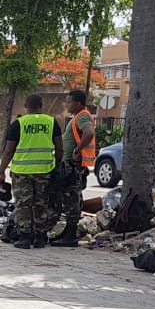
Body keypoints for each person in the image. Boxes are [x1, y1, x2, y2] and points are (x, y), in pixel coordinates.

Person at [0, 94, 64, 249]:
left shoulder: (18, 124)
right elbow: (59, 148)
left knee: (24, 204)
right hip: (44, 171)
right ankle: (40, 237)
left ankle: (25, 237)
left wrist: (1, 171)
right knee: (40, 203)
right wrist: (57, 164)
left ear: (26, 106)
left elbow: (8, 151)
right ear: (41, 105)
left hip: (22, 172)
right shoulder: (51, 122)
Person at [54, 89, 96, 247]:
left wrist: (77, 150)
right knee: (70, 199)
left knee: (72, 200)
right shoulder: (77, 117)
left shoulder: (83, 116)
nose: (67, 105)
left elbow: (89, 133)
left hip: (74, 166)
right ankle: (67, 232)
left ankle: (70, 235)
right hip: (71, 165)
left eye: (69, 102)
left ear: (78, 103)